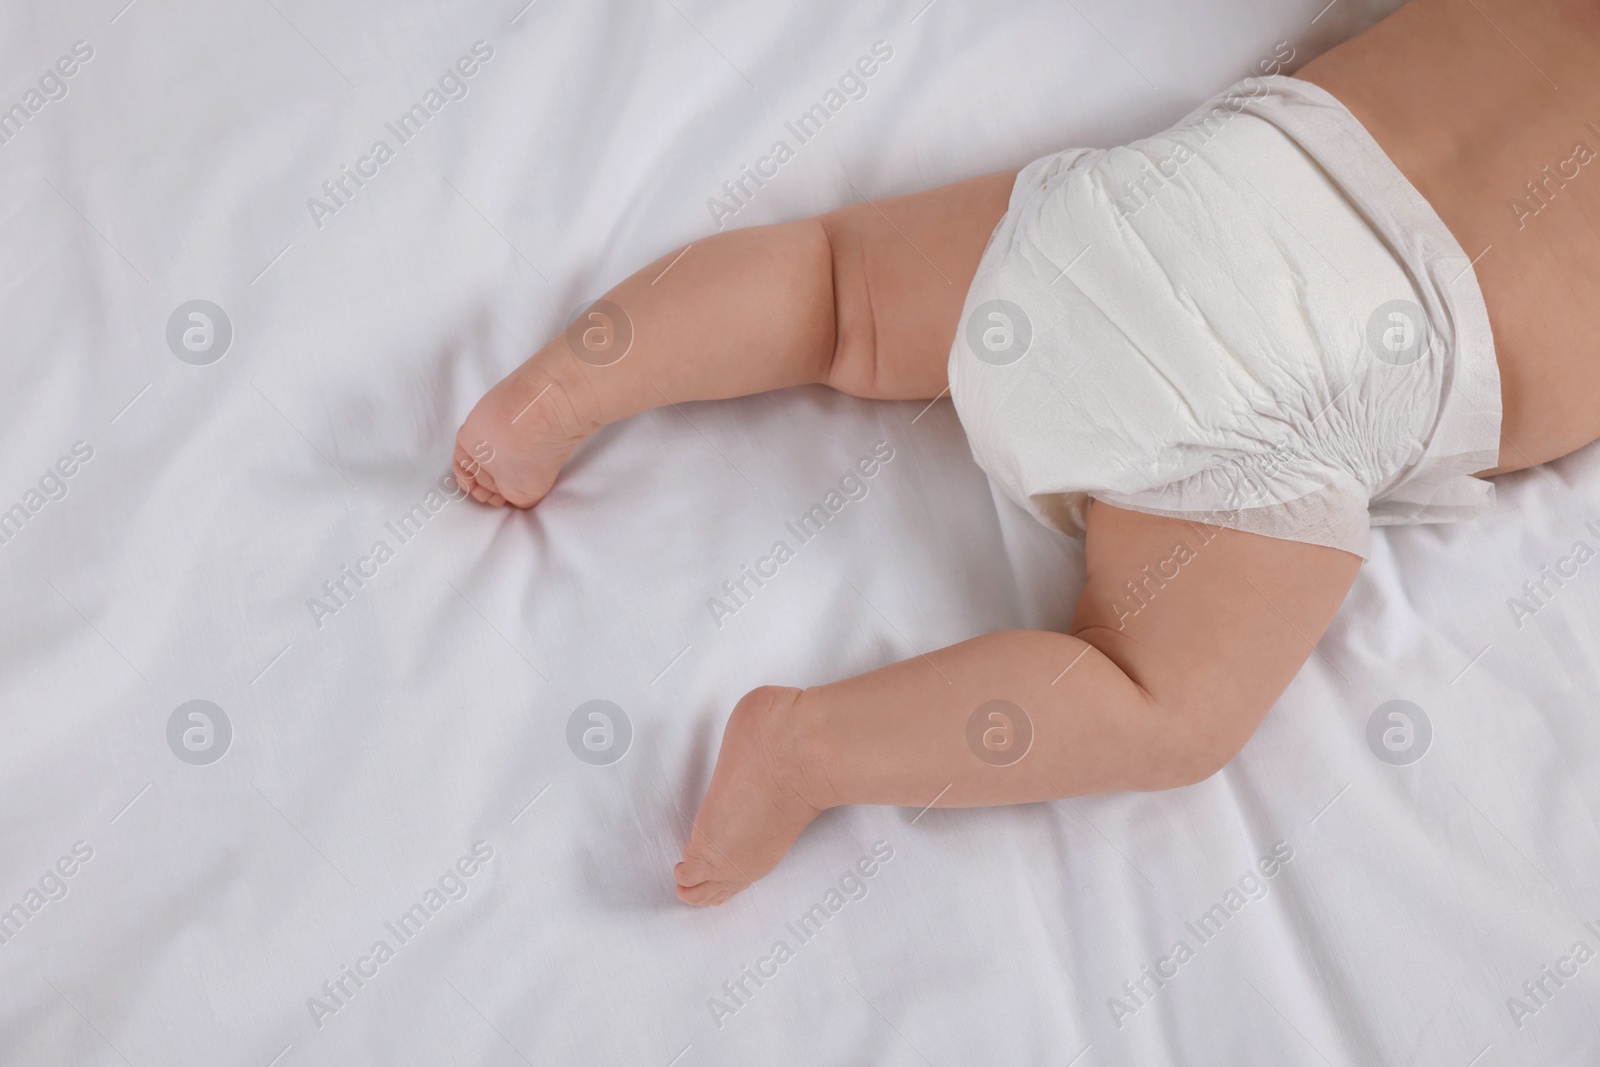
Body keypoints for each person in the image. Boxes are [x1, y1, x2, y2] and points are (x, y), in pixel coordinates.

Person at [452, 0, 1600, 906]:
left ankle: (559, 388)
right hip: (1306, 380)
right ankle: (810, 747)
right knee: (1164, 701)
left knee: (840, 286)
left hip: (1186, 196)